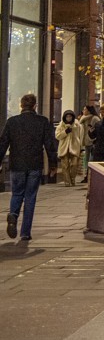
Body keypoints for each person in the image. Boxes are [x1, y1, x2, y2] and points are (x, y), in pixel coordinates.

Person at [0, 93, 59, 241]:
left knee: (17, 193)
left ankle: (13, 215)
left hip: (16, 164)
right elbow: (50, 144)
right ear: (35, 106)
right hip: (34, 164)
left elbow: (3, 143)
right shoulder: (42, 122)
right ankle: (25, 232)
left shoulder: (12, 122)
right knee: (30, 197)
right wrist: (53, 164)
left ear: (21, 105)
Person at [55, 110, 88, 186]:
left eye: (70, 116)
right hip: (64, 147)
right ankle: (67, 181)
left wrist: (81, 147)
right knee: (65, 165)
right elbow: (57, 136)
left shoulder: (77, 125)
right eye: (67, 116)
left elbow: (81, 136)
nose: (69, 118)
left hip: (75, 146)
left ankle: (72, 179)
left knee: (74, 164)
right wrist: (65, 132)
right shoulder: (61, 125)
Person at [78, 105, 99, 183]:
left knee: (90, 159)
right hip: (86, 141)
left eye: (85, 109)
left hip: (92, 141)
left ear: (89, 111)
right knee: (86, 159)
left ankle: (89, 176)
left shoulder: (94, 118)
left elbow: (96, 130)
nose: (83, 111)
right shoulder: (83, 119)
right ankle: (87, 175)